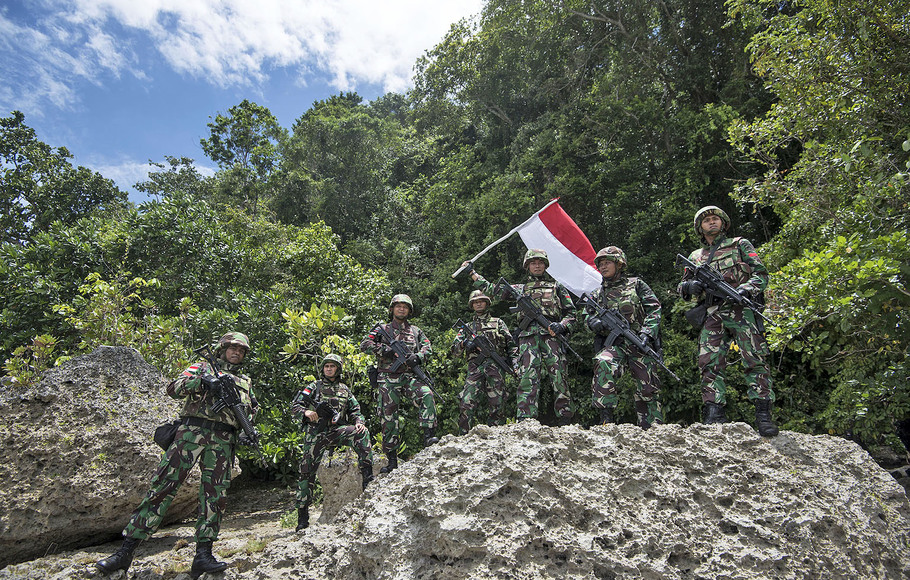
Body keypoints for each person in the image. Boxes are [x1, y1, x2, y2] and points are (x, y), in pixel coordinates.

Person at [96, 332, 258, 577]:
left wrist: (247, 429)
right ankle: (125, 552)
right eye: (233, 348)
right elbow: (173, 388)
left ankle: (203, 554)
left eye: (241, 350)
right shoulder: (202, 367)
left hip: (223, 440)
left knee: (215, 496)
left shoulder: (244, 381)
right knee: (163, 487)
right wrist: (204, 383)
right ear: (222, 348)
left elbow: (250, 409)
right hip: (191, 433)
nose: (237, 352)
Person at [677, 205, 779, 436]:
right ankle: (714, 413)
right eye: (707, 221)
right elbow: (681, 287)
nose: (712, 222)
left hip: (742, 309)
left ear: (723, 223)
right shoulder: (695, 257)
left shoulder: (740, 244)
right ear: (700, 228)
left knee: (755, 359)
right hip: (713, 312)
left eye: (715, 219)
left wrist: (745, 289)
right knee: (709, 362)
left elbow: (761, 274)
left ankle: (763, 414)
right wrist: (690, 286)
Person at [464, 249, 576, 424]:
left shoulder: (557, 287)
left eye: (540, 262)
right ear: (527, 266)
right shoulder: (520, 289)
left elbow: (571, 313)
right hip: (527, 338)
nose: (537, 265)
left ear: (545, 265)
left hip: (551, 336)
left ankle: (565, 417)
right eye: (533, 263)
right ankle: (525, 418)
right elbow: (492, 290)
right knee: (527, 378)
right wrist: (472, 273)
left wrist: (561, 325)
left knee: (559, 377)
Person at [290, 354, 373, 532]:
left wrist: (359, 422)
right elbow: (295, 406)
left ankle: (368, 479)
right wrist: (305, 413)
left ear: (338, 369)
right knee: (306, 472)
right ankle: (302, 516)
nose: (329, 369)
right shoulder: (314, 386)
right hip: (316, 433)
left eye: (332, 366)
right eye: (326, 366)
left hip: (336, 431)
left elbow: (355, 410)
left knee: (361, 434)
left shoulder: (344, 389)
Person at [584, 246, 664, 428]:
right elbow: (587, 316)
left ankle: (652, 426)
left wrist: (647, 333)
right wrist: (594, 323)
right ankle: (606, 419)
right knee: (602, 362)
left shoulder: (637, 285)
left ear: (619, 264)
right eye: (601, 264)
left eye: (607, 263)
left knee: (648, 386)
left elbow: (654, 309)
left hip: (639, 341)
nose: (603, 267)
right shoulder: (597, 294)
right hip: (615, 345)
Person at [360, 294, 436, 474]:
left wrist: (417, 356)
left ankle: (429, 438)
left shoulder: (416, 331)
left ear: (409, 311)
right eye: (398, 306)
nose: (401, 309)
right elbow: (365, 344)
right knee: (388, 418)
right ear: (392, 309)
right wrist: (384, 350)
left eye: (405, 307)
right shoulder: (382, 329)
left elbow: (428, 347)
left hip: (409, 376)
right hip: (388, 377)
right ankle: (392, 460)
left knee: (427, 394)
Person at [451, 290, 518, 434]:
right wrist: (464, 344)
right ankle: (464, 436)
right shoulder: (466, 327)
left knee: (498, 404)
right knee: (466, 402)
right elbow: (454, 351)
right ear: (472, 305)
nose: (478, 303)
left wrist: (515, 364)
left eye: (481, 301)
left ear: (487, 303)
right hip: (475, 367)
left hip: (495, 366)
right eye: (475, 302)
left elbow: (512, 346)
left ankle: (497, 435)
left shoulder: (498, 323)